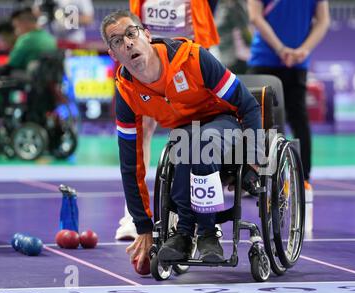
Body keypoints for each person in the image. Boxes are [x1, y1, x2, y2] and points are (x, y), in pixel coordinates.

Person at [100, 10, 261, 271]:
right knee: (182, 148)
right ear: (113, 54)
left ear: (147, 35)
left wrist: (254, 158)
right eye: (117, 41)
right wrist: (143, 226)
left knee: (199, 144)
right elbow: (130, 164)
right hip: (186, 133)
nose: (127, 43)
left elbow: (249, 105)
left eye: (131, 33)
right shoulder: (126, 91)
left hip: (224, 121)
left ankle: (207, 235)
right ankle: (183, 235)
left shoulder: (192, 58)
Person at [115, 0, 221, 241]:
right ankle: (132, 217)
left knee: (203, 135)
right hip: (146, 58)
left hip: (187, 59)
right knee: (140, 133)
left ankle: (209, 215)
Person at [246, 0, 330, 191]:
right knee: (292, 119)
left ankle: (295, 178)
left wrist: (289, 50)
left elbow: (255, 16)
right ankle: (302, 179)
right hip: (277, 60)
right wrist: (301, 50)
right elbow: (323, 21)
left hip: (273, 59)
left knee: (259, 119)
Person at [0, 7, 57, 75]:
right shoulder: (49, 37)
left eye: (16, 26)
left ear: (25, 23)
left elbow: (11, 65)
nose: (15, 31)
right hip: (47, 79)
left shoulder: (26, 39)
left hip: (31, 80)